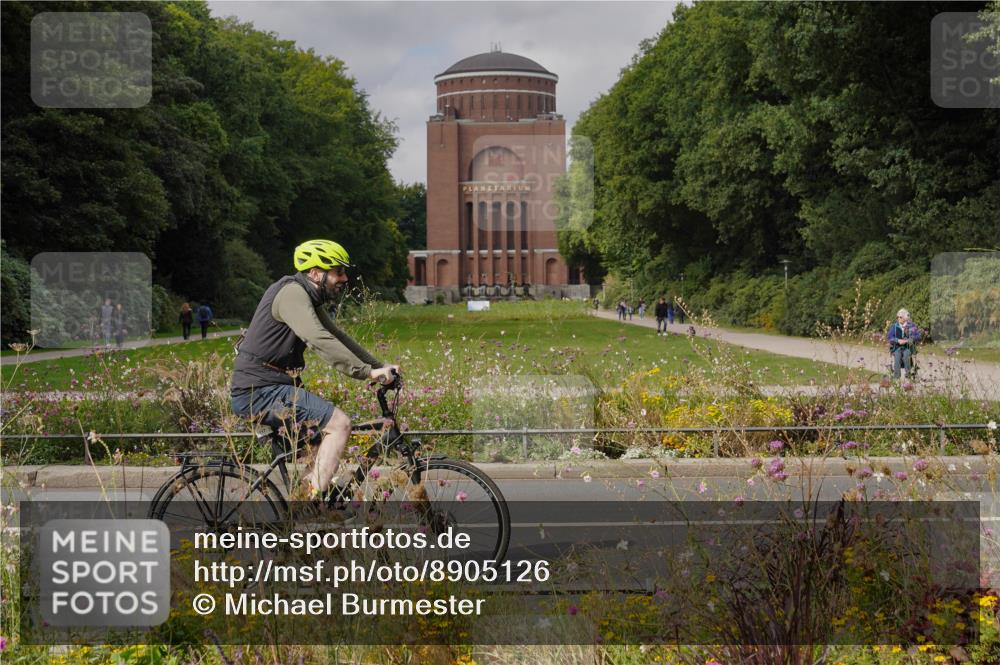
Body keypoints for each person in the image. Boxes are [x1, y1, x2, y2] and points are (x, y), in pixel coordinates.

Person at [230, 239, 400, 504]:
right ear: (315, 273)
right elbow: (318, 339)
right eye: (338, 272)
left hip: (275, 386)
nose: (344, 278)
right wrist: (366, 372)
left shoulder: (307, 296)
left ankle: (304, 505)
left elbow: (336, 336)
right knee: (340, 424)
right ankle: (307, 509)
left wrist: (377, 366)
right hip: (259, 391)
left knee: (320, 443)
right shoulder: (291, 294)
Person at [887, 308, 922, 379]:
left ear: (905, 318)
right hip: (897, 347)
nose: (898, 318)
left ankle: (908, 375)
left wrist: (909, 340)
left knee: (906, 356)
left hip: (908, 347)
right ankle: (896, 377)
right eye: (898, 317)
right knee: (897, 357)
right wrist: (897, 340)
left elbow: (918, 336)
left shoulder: (911, 326)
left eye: (900, 317)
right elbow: (890, 337)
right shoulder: (894, 326)